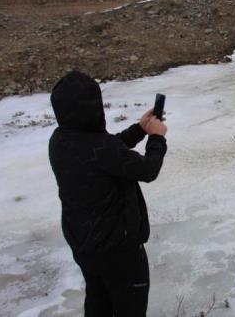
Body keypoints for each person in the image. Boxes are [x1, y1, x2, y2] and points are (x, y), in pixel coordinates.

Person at [48, 71, 167, 316]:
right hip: (119, 250)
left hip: (84, 244)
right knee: (129, 308)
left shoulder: (60, 139)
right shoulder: (101, 148)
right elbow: (147, 169)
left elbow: (107, 152)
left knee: (98, 300)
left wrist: (140, 129)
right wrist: (157, 137)